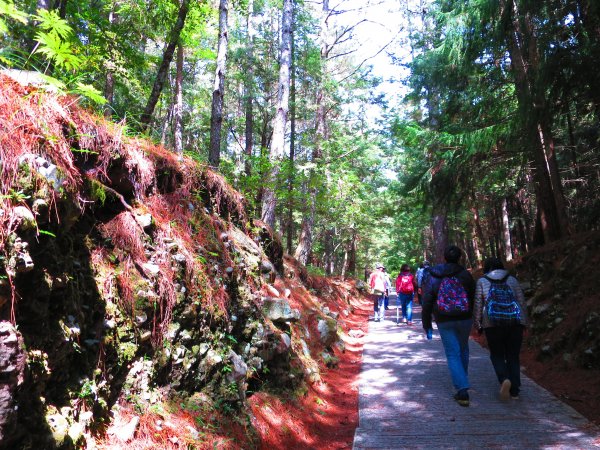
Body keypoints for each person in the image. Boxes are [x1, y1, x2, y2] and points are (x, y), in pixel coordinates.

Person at [422, 245, 476, 406]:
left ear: (444, 257)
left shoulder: (435, 275)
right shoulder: (465, 274)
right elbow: (473, 296)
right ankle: (462, 380)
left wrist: (427, 324)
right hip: (465, 317)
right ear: (460, 257)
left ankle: (462, 389)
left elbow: (427, 301)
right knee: (463, 348)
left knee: (453, 353)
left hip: (444, 319)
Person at [474, 257, 528, 401]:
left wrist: (478, 324)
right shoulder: (512, 280)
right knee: (513, 356)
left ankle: (504, 379)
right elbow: (521, 301)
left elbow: (479, 304)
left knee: (497, 354)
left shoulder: (482, 281)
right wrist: (524, 322)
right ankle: (515, 390)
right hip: (514, 323)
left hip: (492, 324)